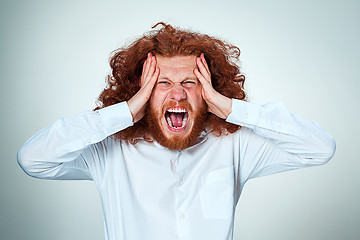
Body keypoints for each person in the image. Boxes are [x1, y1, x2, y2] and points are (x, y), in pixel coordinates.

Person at [17, 22, 336, 240]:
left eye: (190, 82)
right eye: (162, 83)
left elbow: (320, 148)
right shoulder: (108, 150)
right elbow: (32, 159)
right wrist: (126, 111)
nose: (178, 95)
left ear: (207, 90)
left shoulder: (234, 145)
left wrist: (230, 108)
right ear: (142, 90)